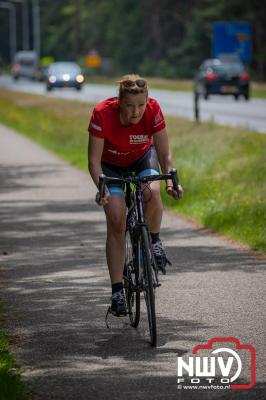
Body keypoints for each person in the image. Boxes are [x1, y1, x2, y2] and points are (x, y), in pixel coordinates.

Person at [88, 74, 183, 316]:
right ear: (119, 102)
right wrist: (103, 188)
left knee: (152, 192)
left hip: (142, 158)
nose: (136, 112)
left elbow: (164, 155)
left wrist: (171, 179)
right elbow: (93, 161)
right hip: (111, 166)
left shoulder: (153, 110)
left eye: (141, 105)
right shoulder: (102, 113)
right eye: (129, 106)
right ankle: (118, 290)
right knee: (117, 218)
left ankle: (155, 241)